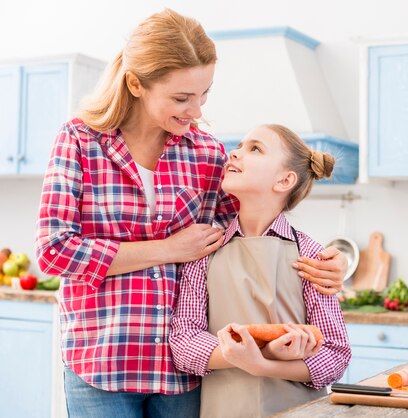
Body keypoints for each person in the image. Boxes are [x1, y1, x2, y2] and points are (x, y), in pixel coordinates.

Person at [34, 9, 347, 418]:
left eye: (204, 95)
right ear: (136, 84)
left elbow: (253, 229)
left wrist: (329, 263)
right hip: (103, 361)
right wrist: (166, 249)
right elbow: (54, 251)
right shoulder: (79, 140)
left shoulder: (205, 151)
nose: (197, 111)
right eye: (182, 98)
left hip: (183, 372)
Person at [169, 124, 352, 418]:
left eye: (255, 148)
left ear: (284, 180)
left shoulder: (310, 256)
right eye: (240, 145)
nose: (236, 153)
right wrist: (261, 352)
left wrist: (262, 365)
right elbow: (184, 343)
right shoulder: (205, 253)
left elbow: (335, 354)